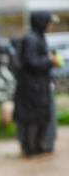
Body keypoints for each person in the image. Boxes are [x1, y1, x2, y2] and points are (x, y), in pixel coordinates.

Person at [13, 11, 61, 156]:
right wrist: (50, 61)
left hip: (39, 86)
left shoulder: (38, 37)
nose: (51, 26)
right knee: (32, 119)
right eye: (49, 22)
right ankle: (30, 149)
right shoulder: (31, 39)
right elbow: (30, 62)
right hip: (31, 88)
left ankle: (38, 146)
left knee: (41, 117)